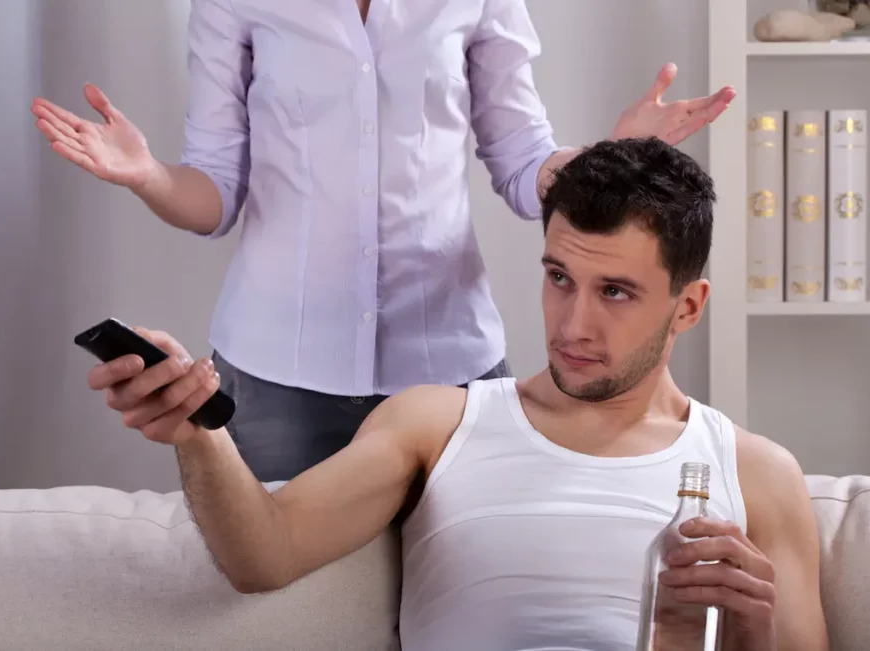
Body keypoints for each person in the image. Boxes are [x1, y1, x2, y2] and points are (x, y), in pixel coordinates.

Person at [85, 138, 828, 650]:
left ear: (688, 307)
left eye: (617, 293)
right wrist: (197, 428)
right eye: (559, 277)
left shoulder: (756, 475)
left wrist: (748, 638)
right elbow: (265, 554)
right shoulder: (439, 422)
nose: (573, 323)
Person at [32, 0, 736, 482]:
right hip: (278, 374)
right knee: (284, 607)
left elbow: (525, 165)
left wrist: (607, 159)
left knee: (455, 598)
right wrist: (147, 174)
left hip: (447, 365)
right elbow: (213, 196)